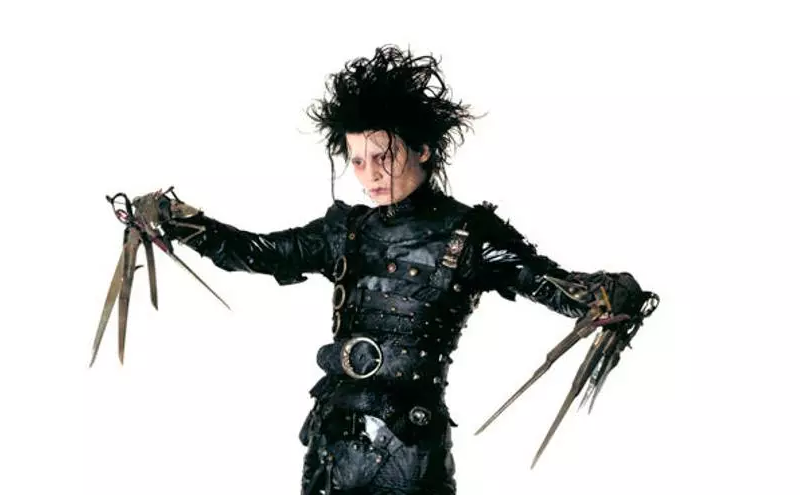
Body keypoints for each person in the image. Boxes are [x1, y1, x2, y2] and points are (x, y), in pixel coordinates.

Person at [136, 45, 655, 495]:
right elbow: (261, 252)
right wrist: (181, 222)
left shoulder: (469, 235)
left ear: (422, 149)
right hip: (332, 444)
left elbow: (546, 282)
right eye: (358, 160)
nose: (370, 175)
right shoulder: (345, 231)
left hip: (410, 453)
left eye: (383, 156)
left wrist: (606, 293)